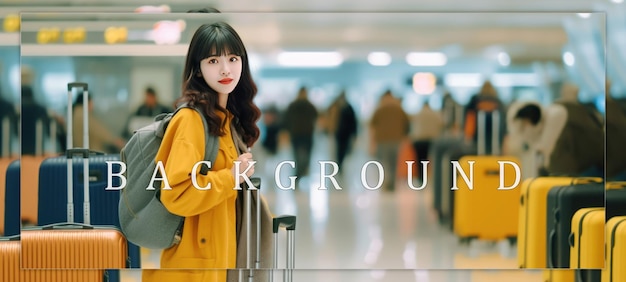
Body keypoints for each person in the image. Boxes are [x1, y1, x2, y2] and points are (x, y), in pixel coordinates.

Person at [141, 22, 263, 282]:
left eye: (232, 58)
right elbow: (177, 194)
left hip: (217, 262)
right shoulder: (191, 121)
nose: (225, 69)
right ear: (198, 68)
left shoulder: (225, 120)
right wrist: (230, 177)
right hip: (192, 269)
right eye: (212, 60)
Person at [283, 86, 319, 180]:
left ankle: (300, 173)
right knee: (302, 155)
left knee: (300, 155)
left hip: (300, 133)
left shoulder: (295, 105)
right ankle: (300, 172)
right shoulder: (308, 105)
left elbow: (286, 119)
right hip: (302, 133)